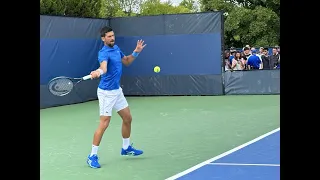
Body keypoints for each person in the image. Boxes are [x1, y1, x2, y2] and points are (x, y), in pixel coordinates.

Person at [86, 26, 147, 168]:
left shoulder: (116, 48)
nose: (112, 38)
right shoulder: (103, 53)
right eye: (109, 36)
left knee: (127, 118)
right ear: (103, 38)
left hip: (117, 91)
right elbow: (104, 68)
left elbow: (126, 61)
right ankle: (92, 156)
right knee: (104, 123)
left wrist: (136, 52)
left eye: (113, 35)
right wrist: (98, 72)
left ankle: (126, 148)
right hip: (106, 93)